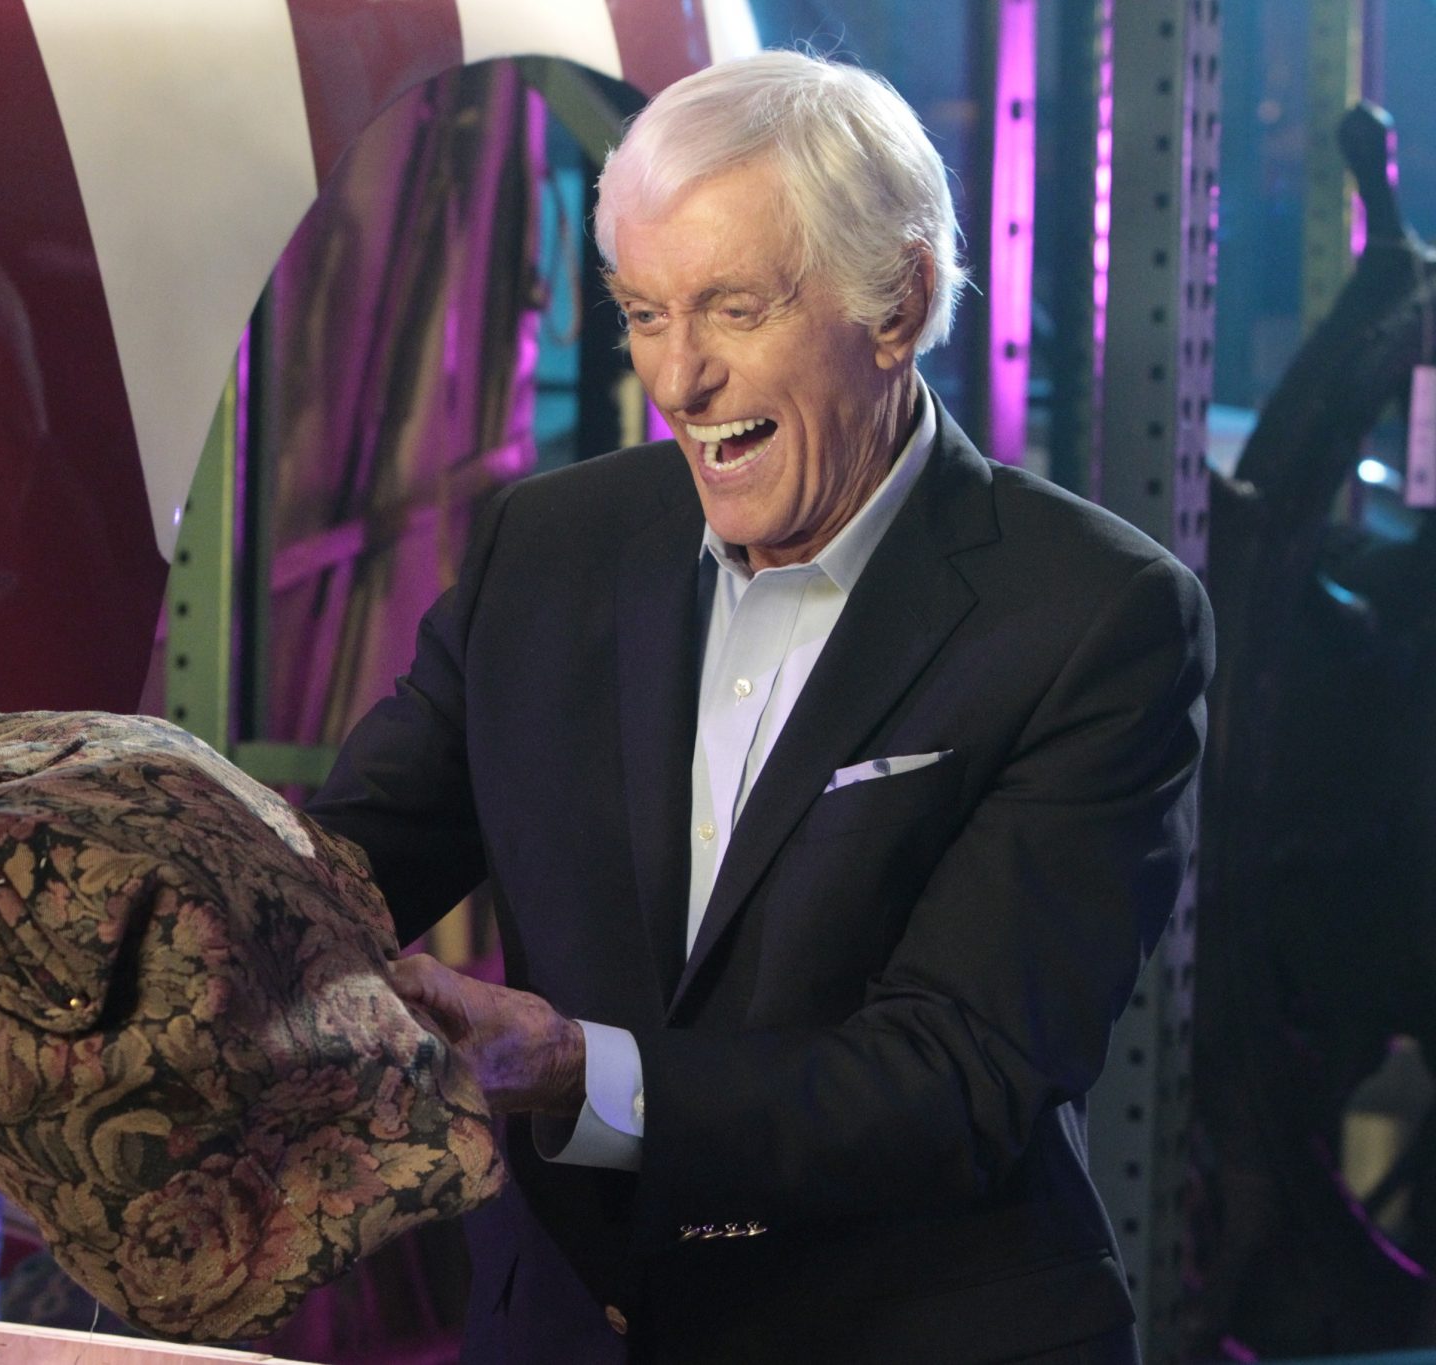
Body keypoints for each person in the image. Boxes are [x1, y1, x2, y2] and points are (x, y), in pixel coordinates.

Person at [307, 50, 1211, 1365]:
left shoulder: (1095, 616)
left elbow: (958, 1079)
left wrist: (575, 1070)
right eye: (644, 313)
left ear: (898, 303)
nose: (678, 379)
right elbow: (344, 865)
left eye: (734, 309)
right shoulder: (545, 549)